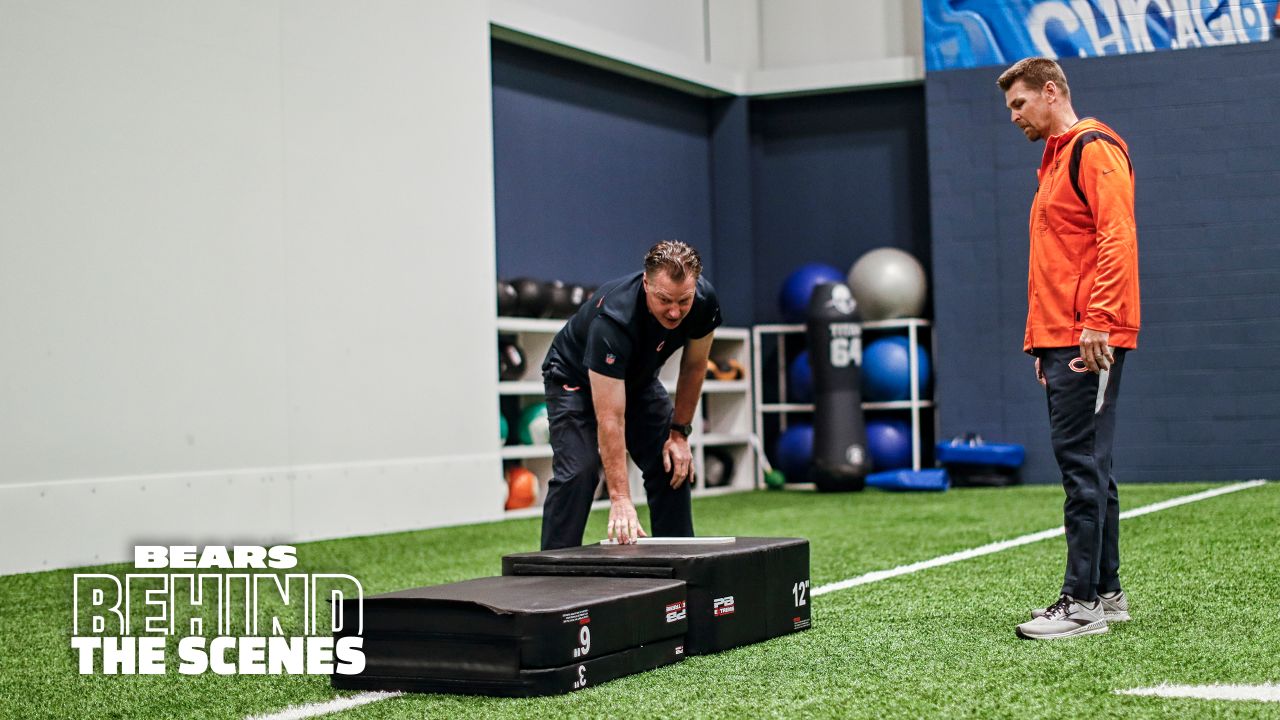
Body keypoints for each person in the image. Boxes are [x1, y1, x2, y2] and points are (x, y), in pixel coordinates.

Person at [997, 58, 1141, 640]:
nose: (1015, 117)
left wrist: (1098, 321)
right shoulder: (1054, 161)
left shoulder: (1092, 148)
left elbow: (1117, 236)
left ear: (1050, 92)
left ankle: (1079, 604)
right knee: (1091, 467)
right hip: (1064, 335)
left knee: (1082, 469)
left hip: (1089, 333)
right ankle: (1105, 593)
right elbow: (1058, 261)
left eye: (1020, 105)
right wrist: (1043, 346)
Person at [539, 240, 720, 549]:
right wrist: (620, 497)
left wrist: (679, 434)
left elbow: (694, 367)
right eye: (664, 300)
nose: (675, 311)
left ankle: (679, 564)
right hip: (574, 379)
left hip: (637, 379)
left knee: (671, 462)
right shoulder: (614, 319)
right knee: (579, 473)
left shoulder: (703, 301)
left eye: (683, 301)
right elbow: (610, 417)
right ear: (646, 283)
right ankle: (551, 573)